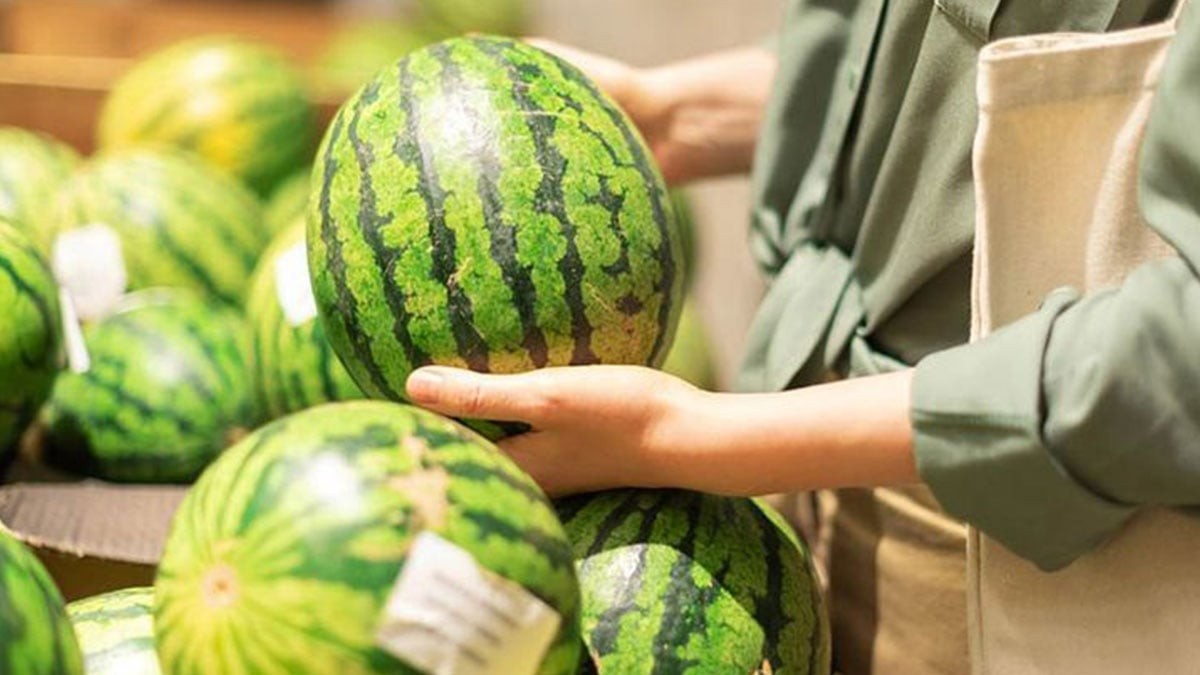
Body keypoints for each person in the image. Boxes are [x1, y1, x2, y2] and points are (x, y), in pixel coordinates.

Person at [406, 1, 1200, 673]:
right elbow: (925, 56)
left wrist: (697, 436)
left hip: (1038, 565)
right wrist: (674, 112)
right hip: (822, 470)